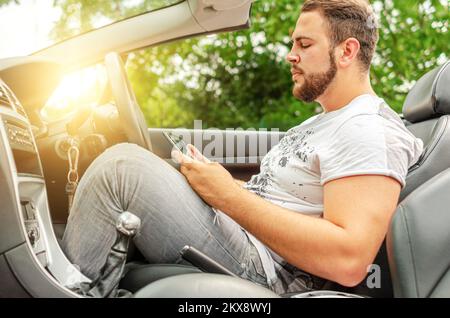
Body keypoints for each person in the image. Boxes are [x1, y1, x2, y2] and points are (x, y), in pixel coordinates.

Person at [62, 0, 423, 295]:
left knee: (121, 171)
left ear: (347, 51)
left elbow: (349, 259)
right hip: (246, 240)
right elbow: (279, 199)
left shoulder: (368, 130)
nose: (290, 55)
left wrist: (227, 197)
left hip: (266, 270)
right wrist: (218, 182)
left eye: (304, 44)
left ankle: (63, 289)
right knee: (138, 167)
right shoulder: (324, 121)